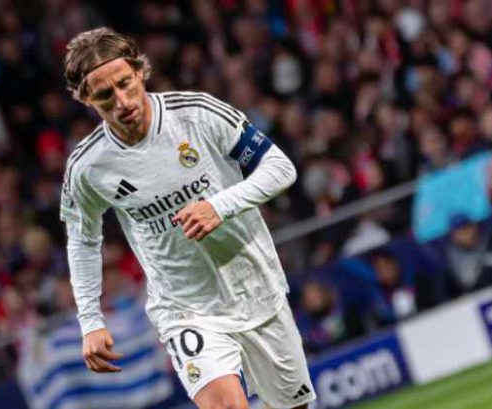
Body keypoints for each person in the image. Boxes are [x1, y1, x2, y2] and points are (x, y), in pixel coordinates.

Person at [60, 27, 315, 409]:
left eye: (125, 83)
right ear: (86, 99)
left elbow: (280, 168)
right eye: (105, 95)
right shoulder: (88, 166)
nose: (122, 101)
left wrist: (219, 206)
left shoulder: (196, 113)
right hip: (184, 308)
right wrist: (90, 320)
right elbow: (82, 241)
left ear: (139, 71)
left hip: (254, 286)